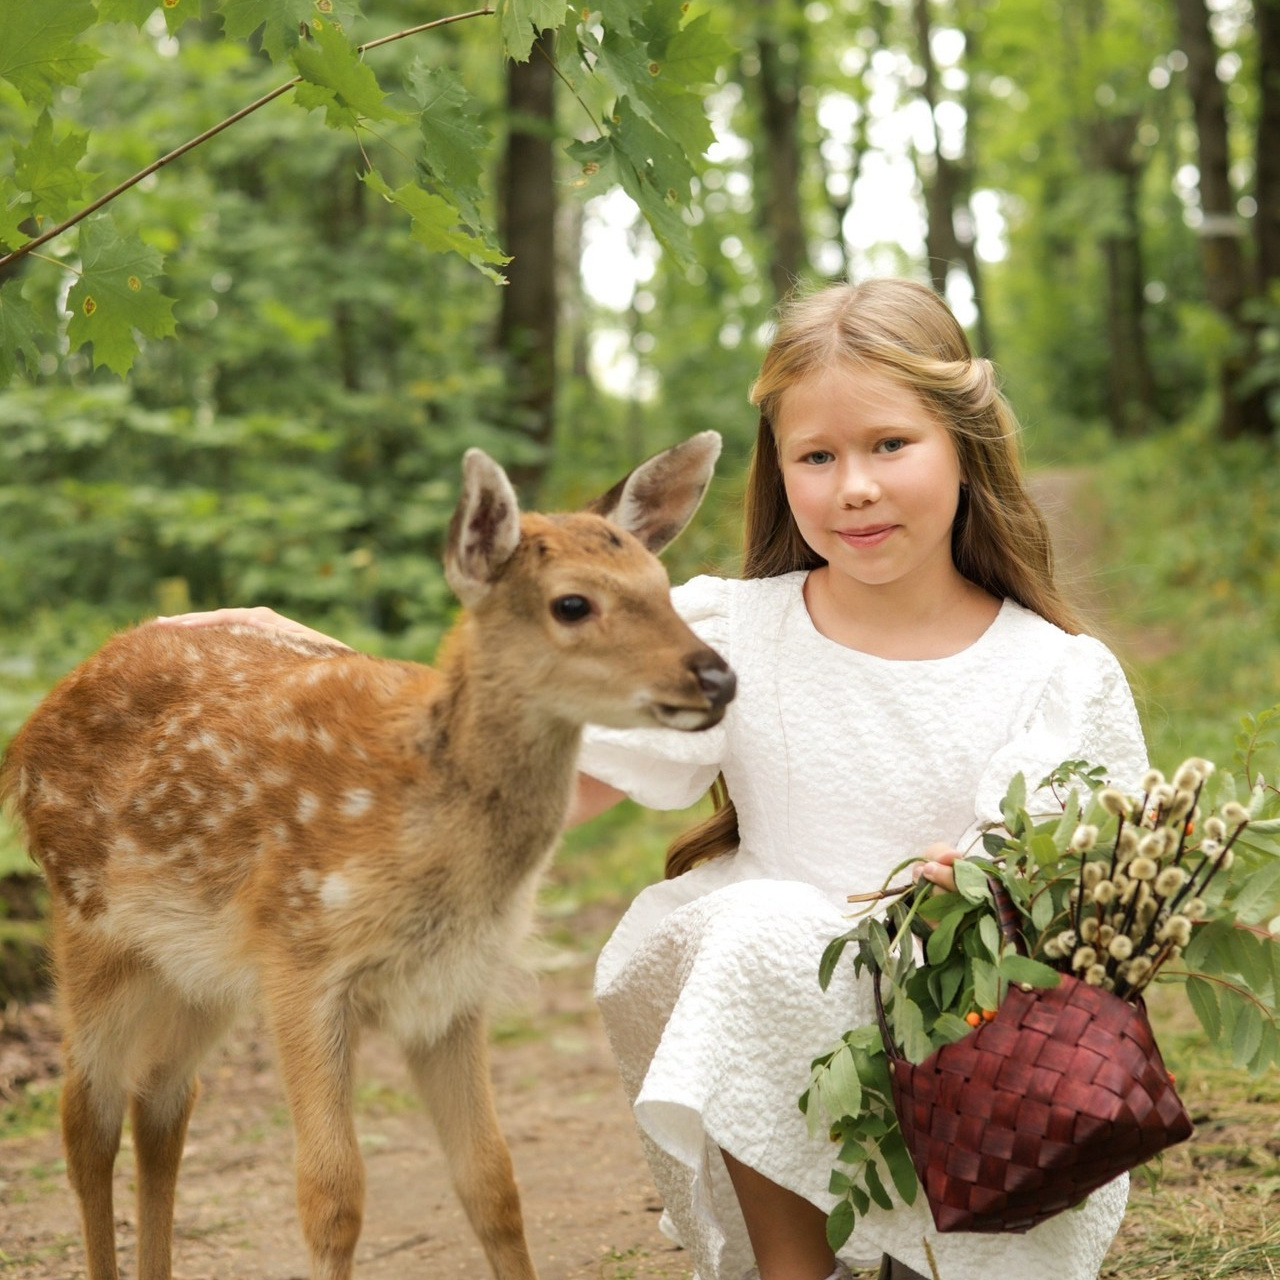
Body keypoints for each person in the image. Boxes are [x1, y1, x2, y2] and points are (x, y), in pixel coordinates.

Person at [160, 278, 1148, 1280]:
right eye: (817, 455)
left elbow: (1086, 898)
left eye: (889, 444)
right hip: (785, 1047)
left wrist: (991, 888)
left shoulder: (1052, 674)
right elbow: (494, 753)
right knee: (762, 926)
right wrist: (285, 670)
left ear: (964, 442)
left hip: (986, 1065)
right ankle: (793, 1267)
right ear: (780, 468)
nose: (852, 485)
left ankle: (924, 1240)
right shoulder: (732, 634)